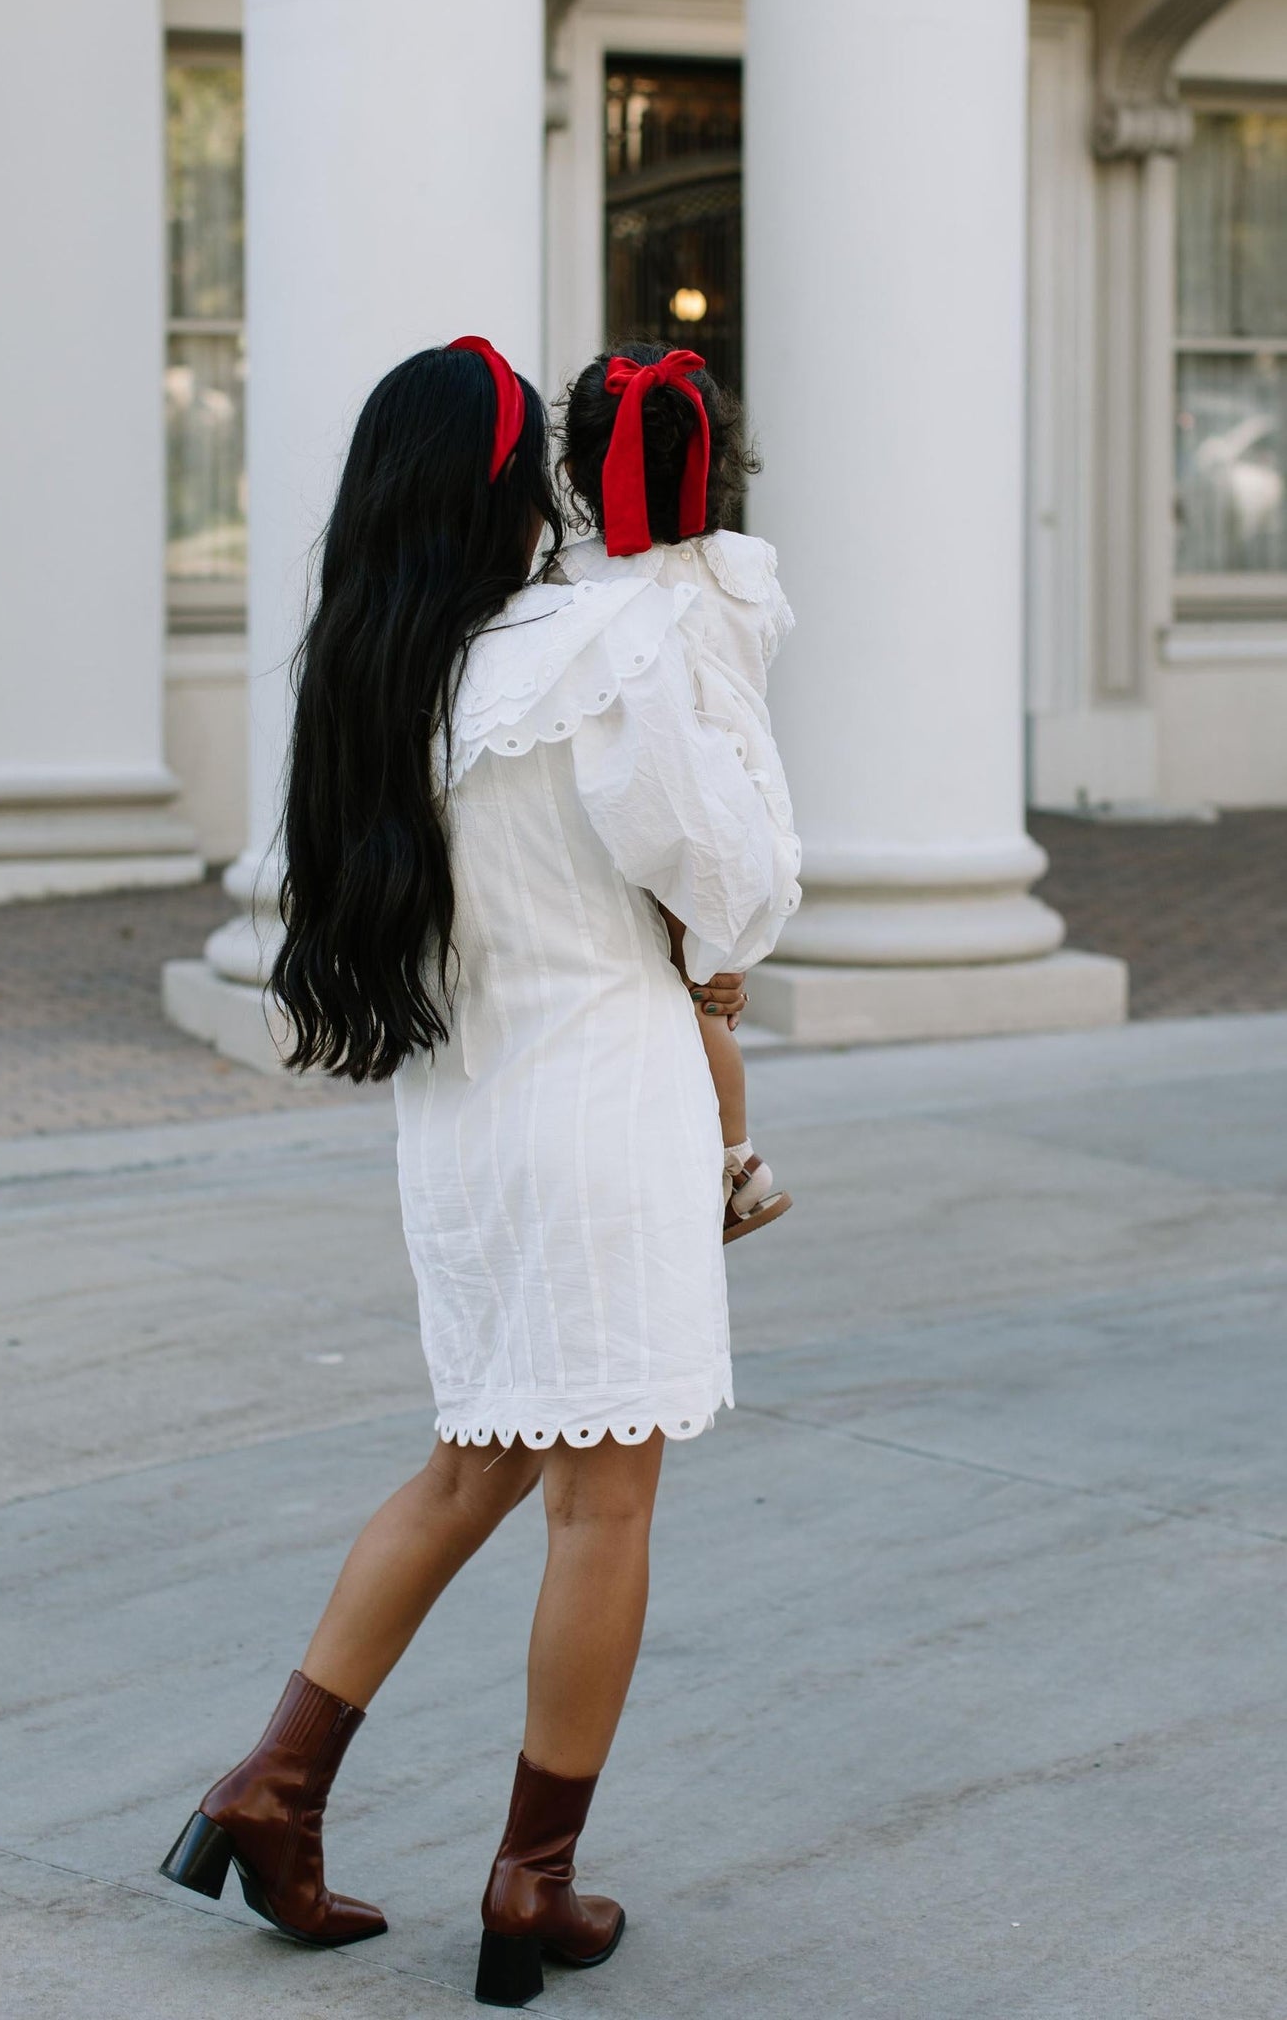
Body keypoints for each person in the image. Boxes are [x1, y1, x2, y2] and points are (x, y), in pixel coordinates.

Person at [159, 335, 800, 2009]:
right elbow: (734, 882)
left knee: (475, 1469)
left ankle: (271, 1787)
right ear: (513, 490)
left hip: (464, 1125)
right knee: (603, 1500)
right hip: (602, 1097)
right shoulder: (596, 645)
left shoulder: (372, 682)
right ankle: (534, 1886)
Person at [556, 342, 797, 1240]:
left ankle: (732, 1165)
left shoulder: (579, 580)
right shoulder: (745, 568)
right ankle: (735, 1156)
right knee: (710, 999)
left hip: (654, 811)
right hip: (743, 808)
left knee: (683, 1007)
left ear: (580, 470)